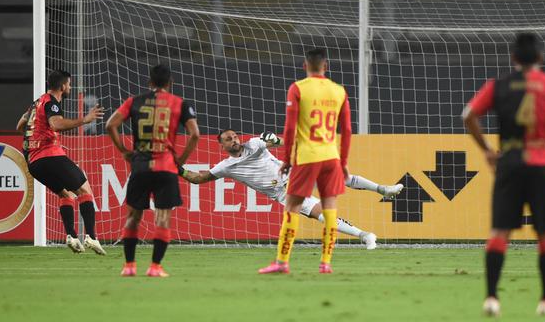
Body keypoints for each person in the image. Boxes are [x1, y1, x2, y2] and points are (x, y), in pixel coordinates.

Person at [462, 33, 545, 317]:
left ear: (513, 58)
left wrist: (488, 150)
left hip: (510, 163)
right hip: (542, 164)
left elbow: (468, 115)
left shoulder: (498, 86)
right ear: (540, 58)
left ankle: (492, 298)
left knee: (499, 233)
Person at [180, 129, 403, 250]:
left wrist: (273, 139)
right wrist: (177, 169)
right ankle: (365, 236)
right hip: (284, 193)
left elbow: (277, 142)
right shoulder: (225, 166)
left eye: (235, 136)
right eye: (228, 139)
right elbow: (198, 179)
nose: (234, 140)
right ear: (223, 146)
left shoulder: (254, 144)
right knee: (324, 216)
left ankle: (383, 189)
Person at [257, 48, 353, 275]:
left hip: (307, 156)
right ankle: (326, 263)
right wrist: (344, 160)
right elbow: (347, 129)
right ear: (326, 66)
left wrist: (288, 158)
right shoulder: (339, 90)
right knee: (330, 208)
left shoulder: (298, 88)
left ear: (305, 66)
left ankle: (281, 262)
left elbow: (290, 128)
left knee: (292, 206)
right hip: (331, 157)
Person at [105, 64, 200, 277]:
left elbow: (110, 125)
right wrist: (180, 160)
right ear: (170, 83)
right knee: (163, 217)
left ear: (150, 83)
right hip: (166, 167)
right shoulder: (179, 104)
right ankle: (155, 267)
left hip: (140, 165)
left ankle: (129, 266)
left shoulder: (134, 101)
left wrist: (123, 150)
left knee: (133, 216)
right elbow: (195, 134)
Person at [17, 70, 106, 255]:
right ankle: (91, 237)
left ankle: (72, 236)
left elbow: (20, 126)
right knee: (85, 190)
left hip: (33, 162)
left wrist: (35, 139)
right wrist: (85, 119)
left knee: (66, 195)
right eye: (69, 84)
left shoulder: (36, 103)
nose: (70, 88)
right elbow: (56, 124)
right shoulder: (51, 103)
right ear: (63, 86)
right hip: (49, 156)